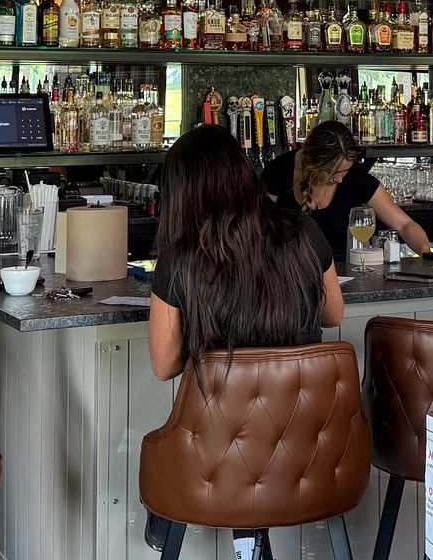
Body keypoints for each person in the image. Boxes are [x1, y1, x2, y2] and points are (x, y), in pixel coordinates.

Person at [145, 125, 345, 560]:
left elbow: (164, 365)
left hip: (219, 459)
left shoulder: (179, 259)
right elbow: (334, 315)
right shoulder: (304, 233)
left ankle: (194, 530)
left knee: (222, 426)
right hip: (311, 448)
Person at [261, 120, 432, 260]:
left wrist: (426, 253)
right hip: (289, 273)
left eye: (345, 171)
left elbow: (404, 224)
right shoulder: (279, 171)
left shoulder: (355, 177)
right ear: (313, 162)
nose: (340, 179)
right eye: (333, 172)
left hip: (343, 274)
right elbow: (257, 230)